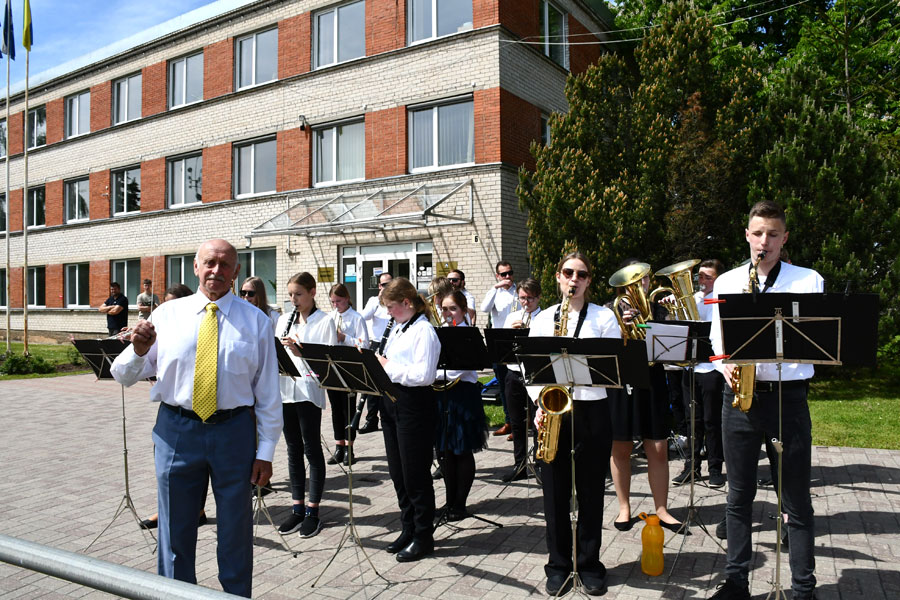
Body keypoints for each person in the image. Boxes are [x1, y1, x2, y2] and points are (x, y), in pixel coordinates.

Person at [110, 239, 281, 597]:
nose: (216, 271)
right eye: (210, 263)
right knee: (174, 530)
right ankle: (175, 593)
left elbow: (267, 393)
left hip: (234, 432)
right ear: (195, 266)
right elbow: (123, 374)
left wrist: (265, 451)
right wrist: (139, 351)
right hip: (177, 430)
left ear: (236, 271)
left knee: (235, 530)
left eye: (225, 265)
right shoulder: (166, 315)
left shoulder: (256, 321)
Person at [708, 201, 823, 600]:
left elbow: (816, 343)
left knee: (795, 497)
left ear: (784, 238)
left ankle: (803, 588)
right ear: (747, 235)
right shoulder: (727, 283)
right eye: (758, 233)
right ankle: (737, 580)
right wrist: (726, 366)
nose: (765, 242)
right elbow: (716, 338)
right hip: (739, 398)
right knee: (737, 496)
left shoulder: (808, 281)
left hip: (787, 398)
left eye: (773, 234)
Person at [527, 252, 619, 596]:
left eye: (581, 274)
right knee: (554, 494)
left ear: (588, 281)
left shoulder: (603, 318)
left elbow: (609, 370)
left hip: (592, 411)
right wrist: (540, 402)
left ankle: (591, 563)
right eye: (568, 273)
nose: (574, 279)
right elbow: (531, 370)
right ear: (557, 276)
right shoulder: (544, 318)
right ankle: (558, 564)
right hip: (553, 412)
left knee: (592, 492)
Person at [608, 258, 685, 535]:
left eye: (644, 279)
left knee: (658, 447)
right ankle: (624, 507)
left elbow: (677, 346)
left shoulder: (657, 308)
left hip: (653, 380)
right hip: (622, 381)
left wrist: (670, 315)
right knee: (621, 447)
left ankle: (662, 509)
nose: (641, 284)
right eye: (635, 280)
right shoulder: (611, 311)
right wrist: (621, 327)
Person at [376, 277, 441, 562]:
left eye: (391, 307)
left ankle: (423, 536)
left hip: (414, 404)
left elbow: (424, 375)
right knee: (398, 472)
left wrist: (388, 367)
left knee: (415, 475)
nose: (388, 313)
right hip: (392, 404)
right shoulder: (400, 326)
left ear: (406, 302)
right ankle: (408, 527)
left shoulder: (424, 330)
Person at [138, 282, 205, 532]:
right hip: (173, 414)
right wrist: (140, 347)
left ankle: (197, 509)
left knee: (198, 469)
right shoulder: (165, 323)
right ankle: (167, 510)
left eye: (170, 303)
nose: (164, 309)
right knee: (168, 470)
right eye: (163, 303)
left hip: (205, 411)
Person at [276, 272, 338, 538]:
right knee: (292, 450)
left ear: (312, 293)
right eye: (290, 295)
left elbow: (330, 362)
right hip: (284, 392)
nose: (294, 300)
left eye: (298, 294)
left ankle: (313, 510)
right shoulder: (282, 320)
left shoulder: (325, 321)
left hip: (308, 392)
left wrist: (304, 352)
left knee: (311, 449)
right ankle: (297, 507)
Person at [434, 291, 488, 520]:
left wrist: (429, 373)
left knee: (461, 450)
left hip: (462, 396)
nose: (447, 313)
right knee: (444, 451)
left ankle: (460, 504)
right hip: (442, 396)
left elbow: (459, 369)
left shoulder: (467, 334)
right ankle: (449, 501)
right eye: (444, 309)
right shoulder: (440, 333)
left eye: (453, 308)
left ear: (464, 310)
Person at [673, 259, 726, 489]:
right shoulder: (691, 299)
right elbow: (676, 331)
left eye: (707, 277)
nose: (701, 281)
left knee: (712, 421)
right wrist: (672, 310)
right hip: (691, 368)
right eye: (700, 276)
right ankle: (691, 467)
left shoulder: (722, 300)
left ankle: (715, 468)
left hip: (712, 369)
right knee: (691, 420)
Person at [500, 277, 542, 482]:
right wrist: (511, 334)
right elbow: (502, 347)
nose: (526, 303)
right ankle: (520, 464)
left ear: (538, 297)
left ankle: (540, 463)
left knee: (537, 421)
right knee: (516, 422)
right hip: (514, 373)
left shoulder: (544, 317)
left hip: (535, 373)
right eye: (523, 298)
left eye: (530, 299)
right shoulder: (512, 317)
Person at [326, 283, 369, 466]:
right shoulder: (330, 317)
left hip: (350, 368)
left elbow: (364, 343)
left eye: (339, 301)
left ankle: (349, 448)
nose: (336, 305)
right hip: (332, 367)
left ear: (347, 299)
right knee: (336, 408)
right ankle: (339, 446)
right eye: (333, 302)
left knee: (348, 409)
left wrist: (345, 338)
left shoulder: (356, 317)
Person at [480, 261, 517, 437]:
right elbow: (484, 308)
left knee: (519, 384)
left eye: (510, 273)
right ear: (498, 276)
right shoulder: (495, 292)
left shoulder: (518, 290)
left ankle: (522, 422)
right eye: (503, 274)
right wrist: (496, 288)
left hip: (517, 339)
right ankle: (509, 421)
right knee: (503, 384)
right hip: (499, 342)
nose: (507, 277)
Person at [358, 271, 393, 433]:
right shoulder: (374, 301)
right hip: (376, 344)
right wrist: (378, 302)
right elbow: (362, 317)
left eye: (389, 284)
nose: (386, 287)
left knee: (388, 383)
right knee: (371, 386)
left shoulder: (395, 300)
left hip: (392, 346)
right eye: (383, 284)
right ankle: (371, 419)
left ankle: (390, 417)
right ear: (379, 286)